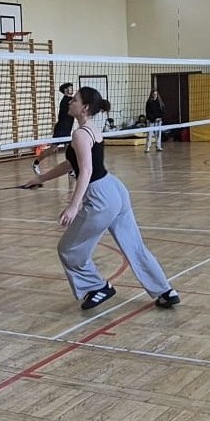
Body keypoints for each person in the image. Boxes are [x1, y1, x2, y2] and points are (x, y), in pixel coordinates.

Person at [25, 86, 180, 310]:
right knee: (135, 246)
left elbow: (86, 171)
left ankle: (97, 287)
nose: (70, 102)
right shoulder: (90, 129)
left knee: (68, 249)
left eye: (74, 100)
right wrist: (41, 178)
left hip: (100, 197)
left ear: (85, 107)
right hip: (115, 189)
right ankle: (165, 291)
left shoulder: (80, 134)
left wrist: (73, 205)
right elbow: (73, 163)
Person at [33, 83, 76, 173]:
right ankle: (36, 163)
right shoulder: (67, 100)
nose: (72, 89)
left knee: (69, 149)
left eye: (72, 87)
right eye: (70, 88)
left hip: (67, 128)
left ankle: (70, 169)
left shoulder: (70, 100)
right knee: (52, 149)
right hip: (61, 128)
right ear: (65, 90)